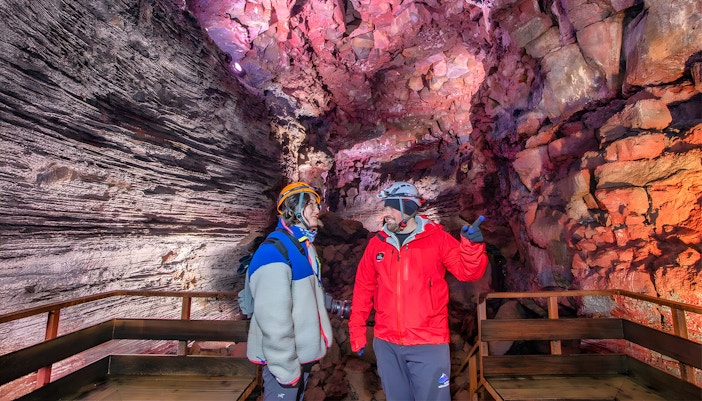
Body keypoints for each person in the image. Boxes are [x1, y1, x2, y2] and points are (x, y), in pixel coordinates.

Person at [348, 181, 488, 401]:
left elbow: (467, 273)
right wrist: (357, 331)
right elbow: (363, 289)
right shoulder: (377, 245)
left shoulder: (437, 239)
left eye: (392, 207)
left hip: (429, 343)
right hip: (387, 344)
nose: (387, 213)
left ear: (409, 209)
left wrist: (471, 248)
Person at [246, 182, 333, 401]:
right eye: (310, 204)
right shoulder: (273, 252)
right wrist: (286, 371)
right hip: (284, 367)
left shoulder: (304, 247)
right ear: (292, 210)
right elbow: (274, 322)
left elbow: (308, 295)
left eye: (317, 204)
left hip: (299, 359)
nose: (317, 210)